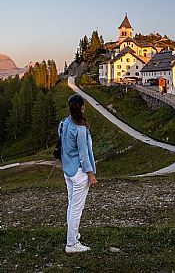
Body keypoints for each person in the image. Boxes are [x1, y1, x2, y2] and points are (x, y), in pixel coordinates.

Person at [59, 93, 98, 253]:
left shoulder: (63, 123)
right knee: (76, 208)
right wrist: (91, 175)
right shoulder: (80, 129)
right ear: (82, 108)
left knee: (71, 205)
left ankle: (73, 235)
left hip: (68, 171)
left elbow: (63, 147)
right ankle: (71, 244)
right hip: (79, 173)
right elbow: (83, 155)